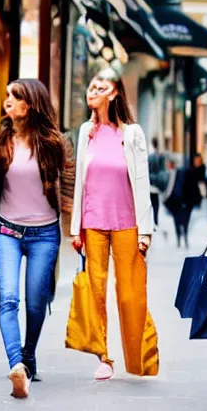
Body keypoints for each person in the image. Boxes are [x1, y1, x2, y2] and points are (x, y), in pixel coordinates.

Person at [0, 79, 75, 399]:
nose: (7, 101)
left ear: (30, 104)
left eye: (14, 97)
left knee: (36, 302)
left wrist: (75, 225)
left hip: (44, 233)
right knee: (8, 299)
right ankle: (16, 363)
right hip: (6, 230)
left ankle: (29, 353)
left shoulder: (55, 144)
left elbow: (69, 185)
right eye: (7, 96)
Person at [70, 68, 159, 381]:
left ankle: (139, 357)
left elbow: (142, 182)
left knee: (129, 294)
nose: (91, 89)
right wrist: (75, 227)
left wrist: (145, 232)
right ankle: (104, 357)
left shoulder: (131, 133)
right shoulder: (85, 132)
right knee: (96, 291)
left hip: (127, 224)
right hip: (93, 224)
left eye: (99, 86)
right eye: (91, 85)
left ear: (114, 93)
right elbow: (81, 180)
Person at [164, 155, 204, 247]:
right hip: (178, 201)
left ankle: (183, 238)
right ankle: (181, 238)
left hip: (182, 200)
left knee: (182, 220)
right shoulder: (173, 173)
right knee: (180, 220)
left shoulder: (183, 173)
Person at [148, 137, 168, 230]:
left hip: (151, 183)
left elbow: (148, 170)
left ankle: (152, 221)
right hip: (157, 184)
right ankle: (155, 221)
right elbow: (163, 170)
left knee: (151, 203)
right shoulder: (161, 156)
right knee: (156, 203)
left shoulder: (150, 156)